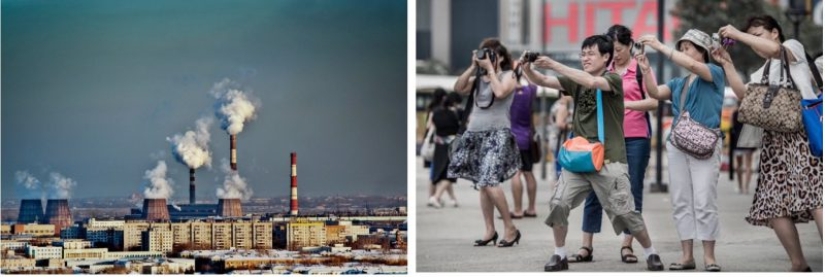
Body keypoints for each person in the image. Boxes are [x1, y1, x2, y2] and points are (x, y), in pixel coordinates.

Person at [521, 34, 664, 272]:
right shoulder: (575, 80)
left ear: (606, 57)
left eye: (591, 54)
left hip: (609, 158)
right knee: (558, 203)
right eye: (583, 53)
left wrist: (554, 63)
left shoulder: (613, 79)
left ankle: (651, 252)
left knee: (626, 211)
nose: (585, 58)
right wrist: (527, 69)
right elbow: (544, 81)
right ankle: (559, 254)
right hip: (579, 158)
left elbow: (593, 83)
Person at [711, 15, 822, 272]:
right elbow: (744, 97)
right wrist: (727, 65)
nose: (755, 43)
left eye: (758, 36)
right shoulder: (761, 72)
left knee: (817, 197)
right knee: (773, 205)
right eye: (752, 39)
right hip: (774, 142)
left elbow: (775, 50)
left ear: (774, 33)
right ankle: (798, 263)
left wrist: (736, 33)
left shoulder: (791, 47)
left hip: (803, 134)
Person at [637, 29, 725, 272]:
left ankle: (709, 256)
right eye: (682, 47)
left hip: (706, 144)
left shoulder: (714, 73)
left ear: (702, 50)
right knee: (680, 200)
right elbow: (654, 93)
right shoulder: (678, 83)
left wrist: (661, 46)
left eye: (689, 47)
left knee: (705, 199)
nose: (684, 52)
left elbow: (693, 66)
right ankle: (687, 255)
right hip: (678, 145)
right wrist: (645, 69)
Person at [570, 24, 659, 265]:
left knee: (632, 190)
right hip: (603, 138)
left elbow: (654, 102)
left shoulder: (639, 69)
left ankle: (628, 244)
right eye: (611, 49)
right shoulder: (602, 70)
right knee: (594, 189)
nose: (615, 54)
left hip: (635, 138)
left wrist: (625, 105)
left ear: (630, 46)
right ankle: (586, 245)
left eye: (619, 49)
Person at [450, 38, 521, 248]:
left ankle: (510, 228)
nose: (488, 58)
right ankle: (490, 230)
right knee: (482, 185)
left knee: (489, 181)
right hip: (475, 134)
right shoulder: (479, 80)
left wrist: (490, 69)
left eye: (492, 55)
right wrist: (473, 66)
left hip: (498, 133)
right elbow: (458, 87)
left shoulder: (509, 76)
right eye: (485, 54)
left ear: (500, 57)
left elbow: (500, 93)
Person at [506, 72, 539, 218]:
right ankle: (531, 208)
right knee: (528, 172)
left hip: (512, 138)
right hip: (527, 138)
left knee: (516, 173)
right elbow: (534, 83)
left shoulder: (508, 93)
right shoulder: (529, 91)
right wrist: (525, 72)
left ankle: (518, 210)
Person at [427, 93, 462, 208]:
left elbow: (430, 127)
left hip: (439, 146)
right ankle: (435, 197)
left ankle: (452, 199)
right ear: (455, 102)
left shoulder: (436, 112)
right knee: (449, 175)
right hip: (453, 146)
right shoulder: (457, 113)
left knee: (441, 173)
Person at [729, 107, 757, 195]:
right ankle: (746, 188)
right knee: (748, 165)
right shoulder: (751, 113)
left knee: (739, 165)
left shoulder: (735, 113)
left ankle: (740, 186)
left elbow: (731, 126)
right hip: (749, 142)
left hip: (738, 142)